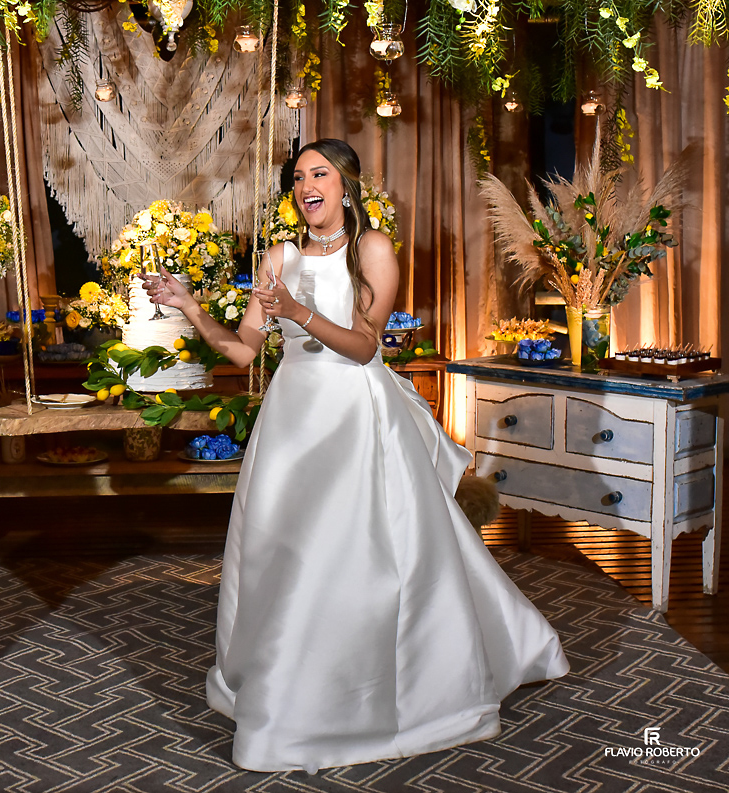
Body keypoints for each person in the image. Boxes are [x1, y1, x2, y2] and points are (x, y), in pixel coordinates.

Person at [142, 138, 570, 772]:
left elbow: (366, 346)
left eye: (319, 173)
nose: (305, 185)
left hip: (354, 416)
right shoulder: (278, 256)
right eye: (297, 177)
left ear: (346, 184)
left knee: (354, 551)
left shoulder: (372, 249)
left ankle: (368, 691)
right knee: (281, 550)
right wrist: (189, 306)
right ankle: (288, 677)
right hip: (292, 417)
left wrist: (298, 310)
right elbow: (240, 352)